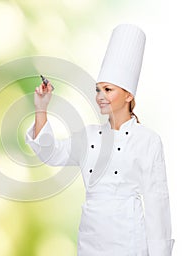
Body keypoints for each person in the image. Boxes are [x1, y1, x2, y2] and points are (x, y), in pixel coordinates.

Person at [25, 24, 174, 255]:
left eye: (108, 89)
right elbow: (50, 153)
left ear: (128, 95)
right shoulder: (89, 135)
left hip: (129, 242)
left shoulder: (148, 141)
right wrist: (41, 108)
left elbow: (157, 204)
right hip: (91, 241)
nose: (100, 97)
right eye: (98, 90)